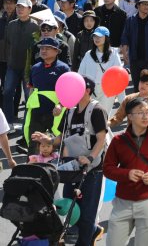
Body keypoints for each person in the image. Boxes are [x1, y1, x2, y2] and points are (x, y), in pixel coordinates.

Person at [32, 75, 108, 246]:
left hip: (92, 169)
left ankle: (86, 240)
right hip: (71, 167)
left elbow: (101, 139)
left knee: (87, 213)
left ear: (87, 90)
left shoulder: (96, 110)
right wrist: (49, 140)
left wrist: (90, 157)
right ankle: (92, 232)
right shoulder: (70, 111)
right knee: (69, 208)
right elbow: (63, 136)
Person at [103, 97, 148, 246]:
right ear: (129, 116)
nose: (145, 116)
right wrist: (126, 174)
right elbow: (107, 168)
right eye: (140, 112)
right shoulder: (118, 140)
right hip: (122, 202)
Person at [120, 0, 148, 89]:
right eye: (144, 4)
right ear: (138, 6)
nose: (147, 6)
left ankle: (146, 103)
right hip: (134, 57)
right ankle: (137, 103)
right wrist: (124, 52)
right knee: (136, 85)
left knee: (147, 84)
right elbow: (125, 37)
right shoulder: (130, 20)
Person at [77, 26, 125, 111]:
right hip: (90, 91)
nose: (96, 39)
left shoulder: (113, 54)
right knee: (89, 117)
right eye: (95, 36)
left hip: (107, 92)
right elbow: (80, 74)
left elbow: (119, 76)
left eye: (99, 36)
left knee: (104, 117)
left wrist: (122, 99)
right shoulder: (88, 54)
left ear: (106, 38)